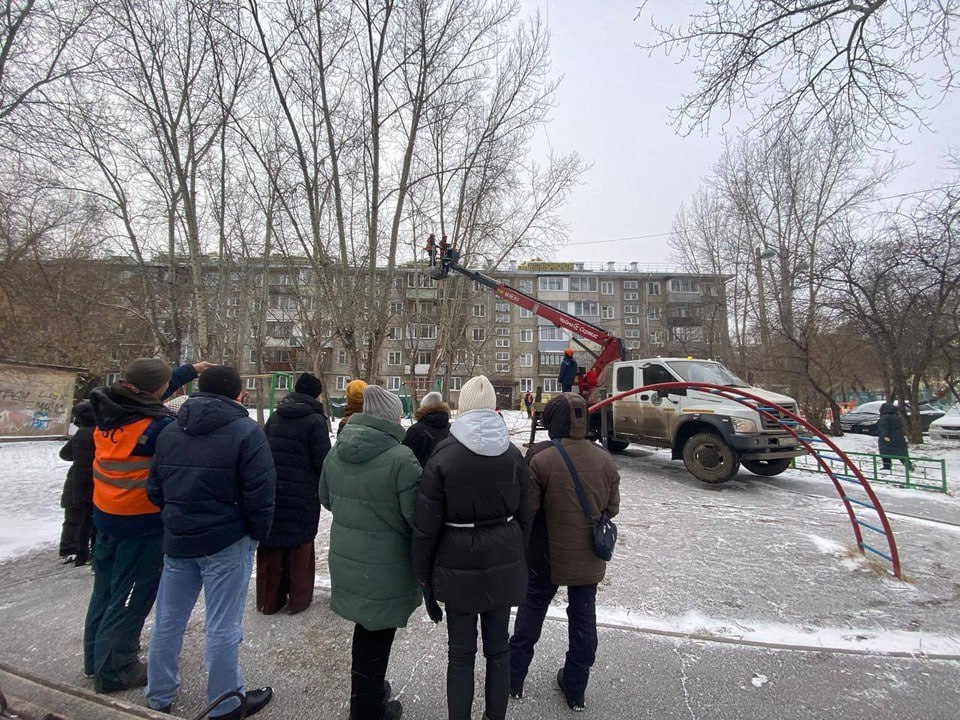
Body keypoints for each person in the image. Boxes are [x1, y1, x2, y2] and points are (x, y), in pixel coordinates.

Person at [145, 366, 276, 719]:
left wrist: (179, 516)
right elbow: (261, 493)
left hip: (178, 540)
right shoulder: (247, 432)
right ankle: (226, 702)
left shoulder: (171, 431)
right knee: (223, 625)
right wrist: (256, 534)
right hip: (226, 541)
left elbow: (155, 489)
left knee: (168, 621)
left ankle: (158, 695)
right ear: (238, 395)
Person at [84, 357, 210, 693]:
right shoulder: (155, 429)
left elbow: (149, 392)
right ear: (154, 391)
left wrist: (190, 371)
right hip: (138, 523)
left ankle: (93, 657)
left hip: (105, 515)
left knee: (105, 590)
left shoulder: (109, 410)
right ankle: (115, 668)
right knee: (130, 596)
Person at [413, 375, 533, 720]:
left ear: (462, 406)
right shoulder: (513, 455)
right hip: (503, 561)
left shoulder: (444, 455)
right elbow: (527, 516)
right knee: (499, 651)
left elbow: (426, 526)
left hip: (457, 565)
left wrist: (423, 576)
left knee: (461, 655)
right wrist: (514, 555)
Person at [509, 392, 620, 712]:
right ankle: (576, 686)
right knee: (584, 616)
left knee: (531, 613)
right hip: (589, 557)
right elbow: (612, 508)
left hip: (545, 555)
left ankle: (513, 679)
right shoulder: (604, 458)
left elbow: (527, 511)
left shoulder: (540, 457)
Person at [319, 385, 422, 720]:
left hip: (349, 559)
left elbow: (326, 499)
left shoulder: (337, 451)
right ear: (391, 416)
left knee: (366, 632)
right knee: (376, 636)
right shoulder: (401, 459)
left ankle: (369, 692)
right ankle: (366, 708)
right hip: (385, 566)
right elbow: (417, 518)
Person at [257, 372, 331, 614]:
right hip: (303, 492)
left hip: (274, 489)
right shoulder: (315, 421)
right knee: (300, 545)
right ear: (315, 393)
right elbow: (323, 461)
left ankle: (269, 600)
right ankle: (298, 600)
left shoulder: (277, 415)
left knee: (273, 543)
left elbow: (263, 448)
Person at [58, 401, 97, 566]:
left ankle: (70, 549)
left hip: (75, 480)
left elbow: (65, 454)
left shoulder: (80, 433)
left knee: (73, 516)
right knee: (90, 519)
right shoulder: (98, 433)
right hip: (93, 481)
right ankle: (87, 552)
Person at [402, 391, 450, 466]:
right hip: (445, 473)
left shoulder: (416, 430)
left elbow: (405, 456)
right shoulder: (450, 428)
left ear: (423, 407)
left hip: (421, 473)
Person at [878, 403, 913, 471]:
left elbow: (883, 427)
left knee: (885, 453)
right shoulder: (896, 417)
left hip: (888, 438)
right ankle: (909, 465)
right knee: (901, 453)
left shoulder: (884, 418)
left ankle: (887, 466)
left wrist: (884, 436)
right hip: (899, 438)